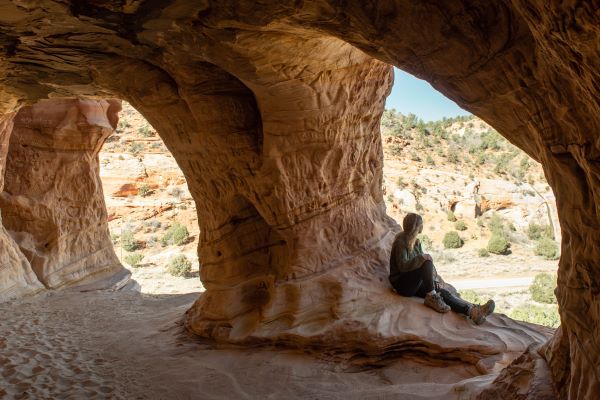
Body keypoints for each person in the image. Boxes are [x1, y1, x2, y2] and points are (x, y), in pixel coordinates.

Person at [389, 212, 495, 325]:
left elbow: (422, 266)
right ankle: (431, 297)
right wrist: (421, 258)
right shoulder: (401, 241)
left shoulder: (416, 242)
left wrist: (433, 280)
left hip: (412, 282)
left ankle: (473, 312)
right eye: (421, 224)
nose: (422, 226)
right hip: (402, 285)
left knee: (443, 292)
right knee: (426, 261)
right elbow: (403, 266)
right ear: (415, 227)